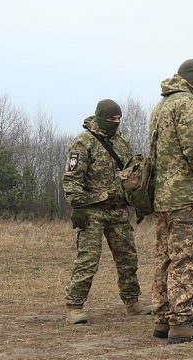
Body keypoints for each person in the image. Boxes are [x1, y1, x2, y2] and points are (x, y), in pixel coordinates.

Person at [150, 59, 193, 344]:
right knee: (187, 259)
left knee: (165, 258)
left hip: (164, 197)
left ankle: (163, 319)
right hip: (186, 196)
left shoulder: (162, 105)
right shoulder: (188, 104)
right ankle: (181, 322)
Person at [62, 99, 148, 324]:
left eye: (119, 119)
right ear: (100, 117)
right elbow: (72, 179)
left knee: (128, 259)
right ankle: (74, 307)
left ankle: (132, 302)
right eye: (111, 119)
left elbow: (132, 175)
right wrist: (78, 206)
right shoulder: (83, 143)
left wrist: (139, 200)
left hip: (118, 210)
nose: (115, 122)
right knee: (88, 260)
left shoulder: (122, 141)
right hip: (93, 210)